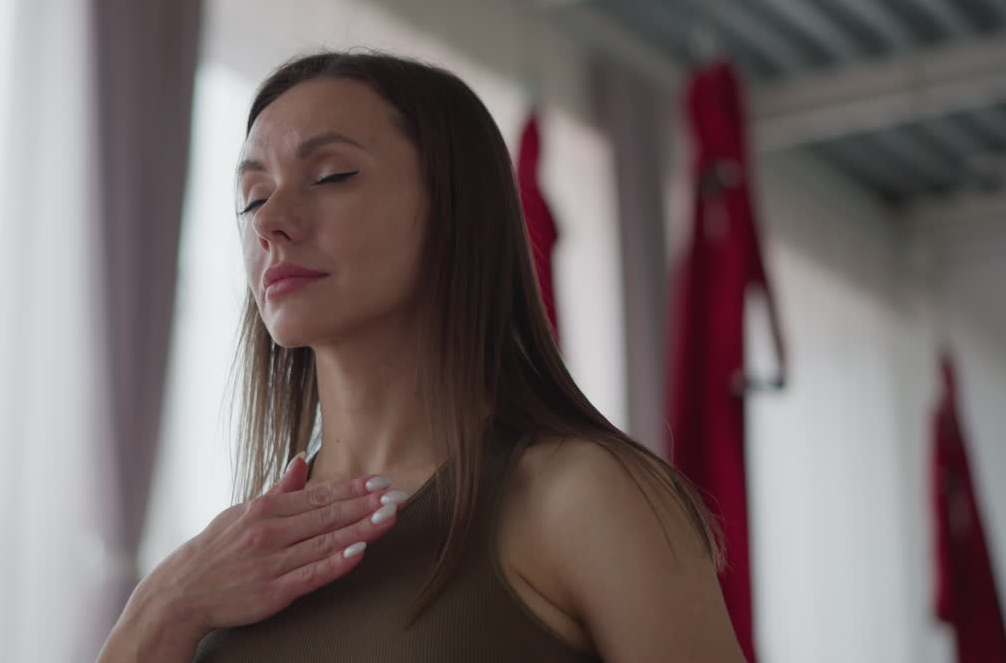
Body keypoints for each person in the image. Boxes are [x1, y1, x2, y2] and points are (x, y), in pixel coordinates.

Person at [96, 50, 746, 662]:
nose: (271, 221)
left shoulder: (582, 498)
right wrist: (160, 610)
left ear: (454, 213)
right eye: (254, 196)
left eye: (331, 175)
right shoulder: (242, 549)